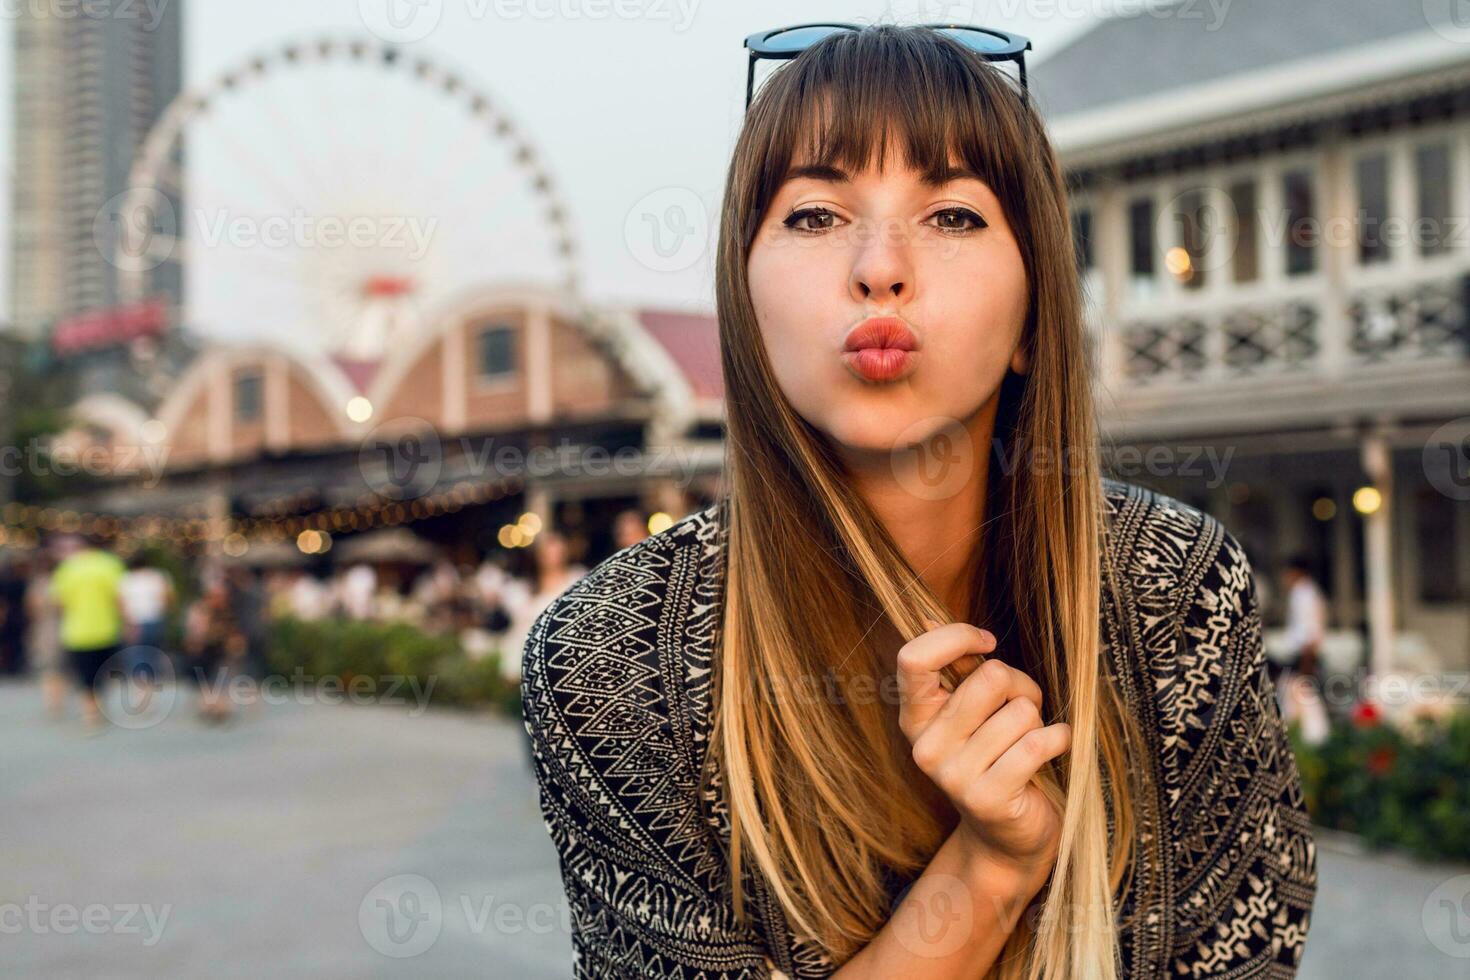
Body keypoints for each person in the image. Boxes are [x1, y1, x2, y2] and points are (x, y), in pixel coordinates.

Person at [519, 26, 1316, 980]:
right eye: (815, 215)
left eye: (953, 216)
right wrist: (989, 870)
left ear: (1033, 314)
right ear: (745, 300)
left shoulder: (1173, 589)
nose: (880, 266)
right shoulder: (609, 656)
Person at [49, 536, 127, 729]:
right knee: (104, 671)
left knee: (85, 675)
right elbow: (120, 597)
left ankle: (90, 712)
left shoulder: (68, 568)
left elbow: (58, 603)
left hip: (77, 631)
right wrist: (126, 621)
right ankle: (97, 707)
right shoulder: (111, 564)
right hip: (107, 628)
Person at [119, 555, 175, 697]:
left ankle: (141, 692)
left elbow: (121, 603)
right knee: (153, 654)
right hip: (155, 620)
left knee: (137, 656)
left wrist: (126, 622)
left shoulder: (127, 579)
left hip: (135, 622)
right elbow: (168, 598)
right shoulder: (159, 576)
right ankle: (150, 689)